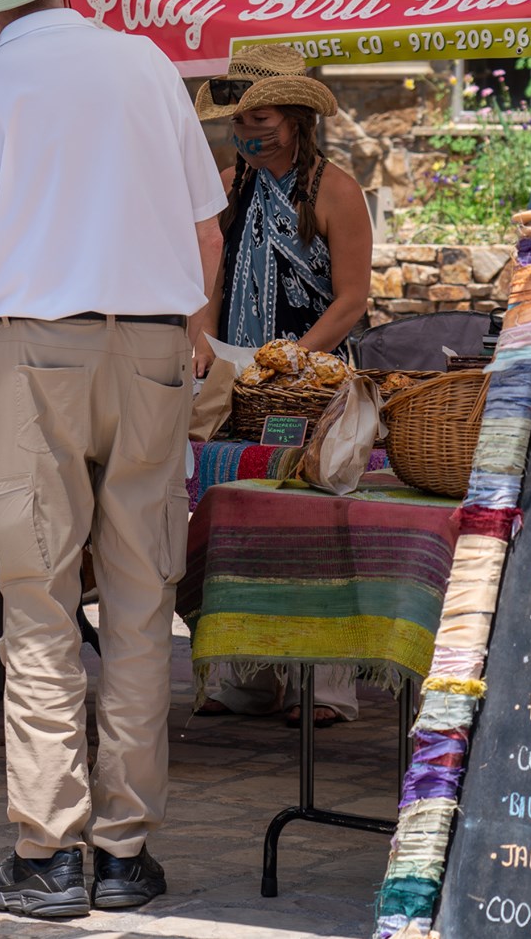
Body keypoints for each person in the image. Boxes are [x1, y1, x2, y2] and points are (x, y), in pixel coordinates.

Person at [0, 0, 226, 919]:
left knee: (39, 601)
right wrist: (192, 340)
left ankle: (49, 854)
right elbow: (205, 234)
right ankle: (126, 851)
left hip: (38, 349)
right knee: (140, 603)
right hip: (149, 347)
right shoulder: (144, 66)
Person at [188, 41, 373, 727]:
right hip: (237, 379)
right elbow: (208, 274)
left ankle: (323, 686)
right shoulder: (230, 183)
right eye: (240, 119)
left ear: (296, 117)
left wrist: (289, 362)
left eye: (261, 117)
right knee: (240, 524)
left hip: (313, 385)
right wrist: (203, 349)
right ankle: (249, 676)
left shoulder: (336, 190)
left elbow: (352, 299)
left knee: (313, 528)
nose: (249, 130)